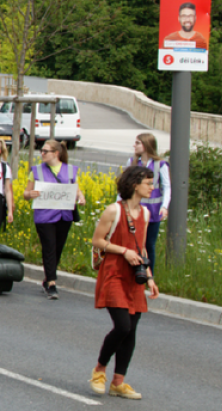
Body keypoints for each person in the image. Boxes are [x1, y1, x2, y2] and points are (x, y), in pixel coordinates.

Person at [89, 166, 160, 400]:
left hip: (134, 277)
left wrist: (149, 277)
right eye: (148, 183)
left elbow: (141, 247)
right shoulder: (113, 211)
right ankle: (99, 370)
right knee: (122, 326)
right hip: (114, 273)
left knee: (132, 330)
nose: (152, 187)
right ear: (134, 185)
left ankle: (118, 382)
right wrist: (123, 251)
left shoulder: (146, 214)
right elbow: (97, 240)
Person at [23, 139, 86, 300]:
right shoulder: (36, 170)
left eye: (45, 151)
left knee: (57, 248)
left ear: (56, 153)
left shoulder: (70, 170)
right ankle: (51, 283)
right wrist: (31, 194)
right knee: (49, 246)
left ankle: (48, 277)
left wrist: (81, 196)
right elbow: (26, 193)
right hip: (44, 215)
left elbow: (75, 188)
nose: (42, 154)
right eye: (41, 151)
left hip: (64, 214)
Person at [125, 133, 170, 270]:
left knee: (149, 244)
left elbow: (167, 186)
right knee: (133, 242)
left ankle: (149, 274)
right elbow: (124, 185)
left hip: (153, 211)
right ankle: (134, 271)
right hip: (134, 209)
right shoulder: (132, 162)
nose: (135, 145)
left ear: (146, 145)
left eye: (138, 143)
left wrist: (165, 207)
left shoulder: (160, 164)